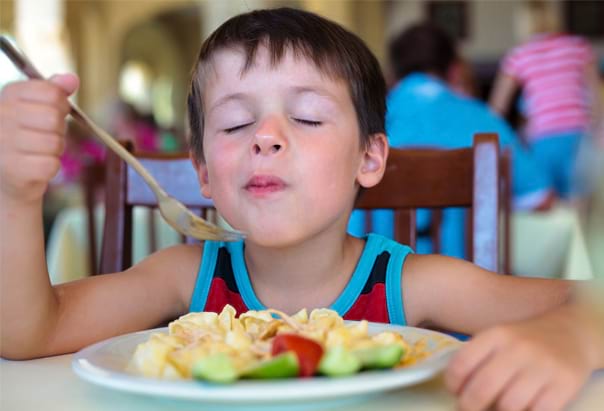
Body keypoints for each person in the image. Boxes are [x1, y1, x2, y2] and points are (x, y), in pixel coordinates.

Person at [0, 8, 602, 411]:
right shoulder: (184, 277)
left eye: (308, 117)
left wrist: (578, 331)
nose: (265, 136)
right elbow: (31, 332)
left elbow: (587, 304)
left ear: (369, 158)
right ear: (204, 172)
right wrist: (15, 197)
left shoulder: (415, 285)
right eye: (236, 122)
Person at [349, 22, 555, 259]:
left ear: (392, 73)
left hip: (375, 287)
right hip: (468, 286)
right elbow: (541, 198)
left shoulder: (361, 123)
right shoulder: (484, 120)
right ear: (455, 70)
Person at [489, 0, 602, 199]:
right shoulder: (577, 46)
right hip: (579, 137)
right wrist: (598, 131)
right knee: (583, 208)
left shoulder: (519, 56)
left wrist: (511, 143)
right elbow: (597, 95)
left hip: (543, 139)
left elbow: (496, 109)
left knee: (550, 208)